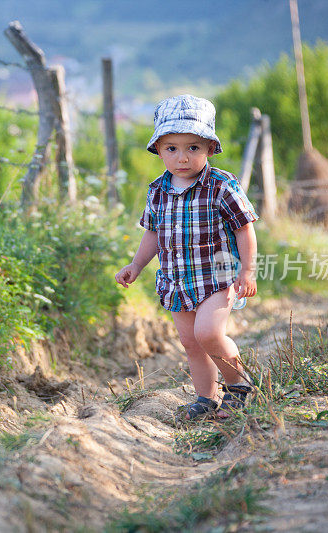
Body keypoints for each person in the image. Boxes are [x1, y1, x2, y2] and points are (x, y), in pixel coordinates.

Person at [114, 95, 259, 419]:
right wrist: (136, 265)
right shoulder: (158, 190)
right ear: (159, 149)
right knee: (191, 343)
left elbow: (244, 229)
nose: (182, 157)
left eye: (193, 147)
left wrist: (247, 271)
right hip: (176, 280)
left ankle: (239, 385)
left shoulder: (221, 186)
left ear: (209, 147)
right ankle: (205, 399)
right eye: (172, 148)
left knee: (207, 334)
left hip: (217, 278)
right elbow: (152, 233)